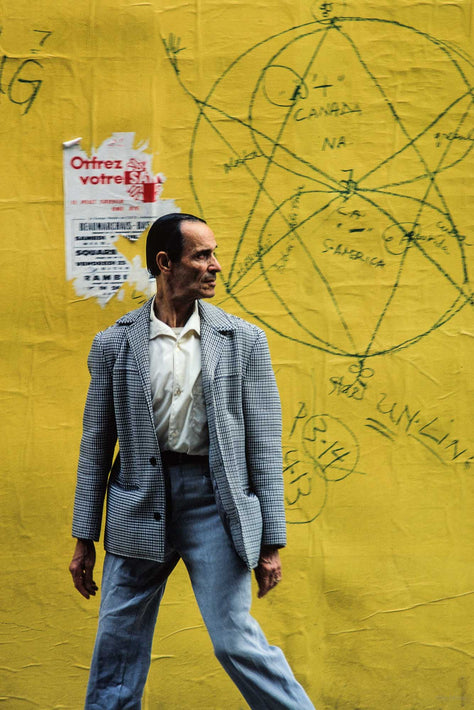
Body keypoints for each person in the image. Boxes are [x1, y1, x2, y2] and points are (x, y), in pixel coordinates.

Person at [69, 213, 314, 709]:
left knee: (235, 639)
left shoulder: (243, 341)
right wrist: (83, 538)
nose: (215, 266)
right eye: (201, 255)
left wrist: (271, 542)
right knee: (117, 646)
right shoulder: (115, 344)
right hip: (137, 505)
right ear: (165, 263)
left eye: (213, 253)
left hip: (215, 506)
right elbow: (96, 445)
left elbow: (264, 446)